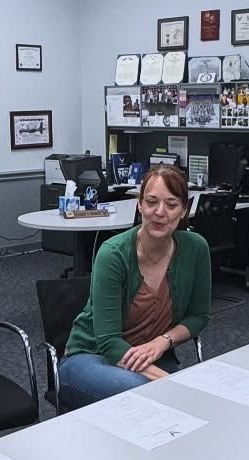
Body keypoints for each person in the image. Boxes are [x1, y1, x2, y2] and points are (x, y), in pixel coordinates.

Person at [59, 166, 211, 410]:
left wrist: (162, 342)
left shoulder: (195, 248)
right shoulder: (113, 254)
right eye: (151, 202)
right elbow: (108, 343)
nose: (159, 212)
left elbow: (198, 316)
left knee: (176, 402)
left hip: (149, 355)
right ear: (139, 205)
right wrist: (169, 382)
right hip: (91, 358)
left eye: (171, 205)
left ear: (184, 209)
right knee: (153, 399)